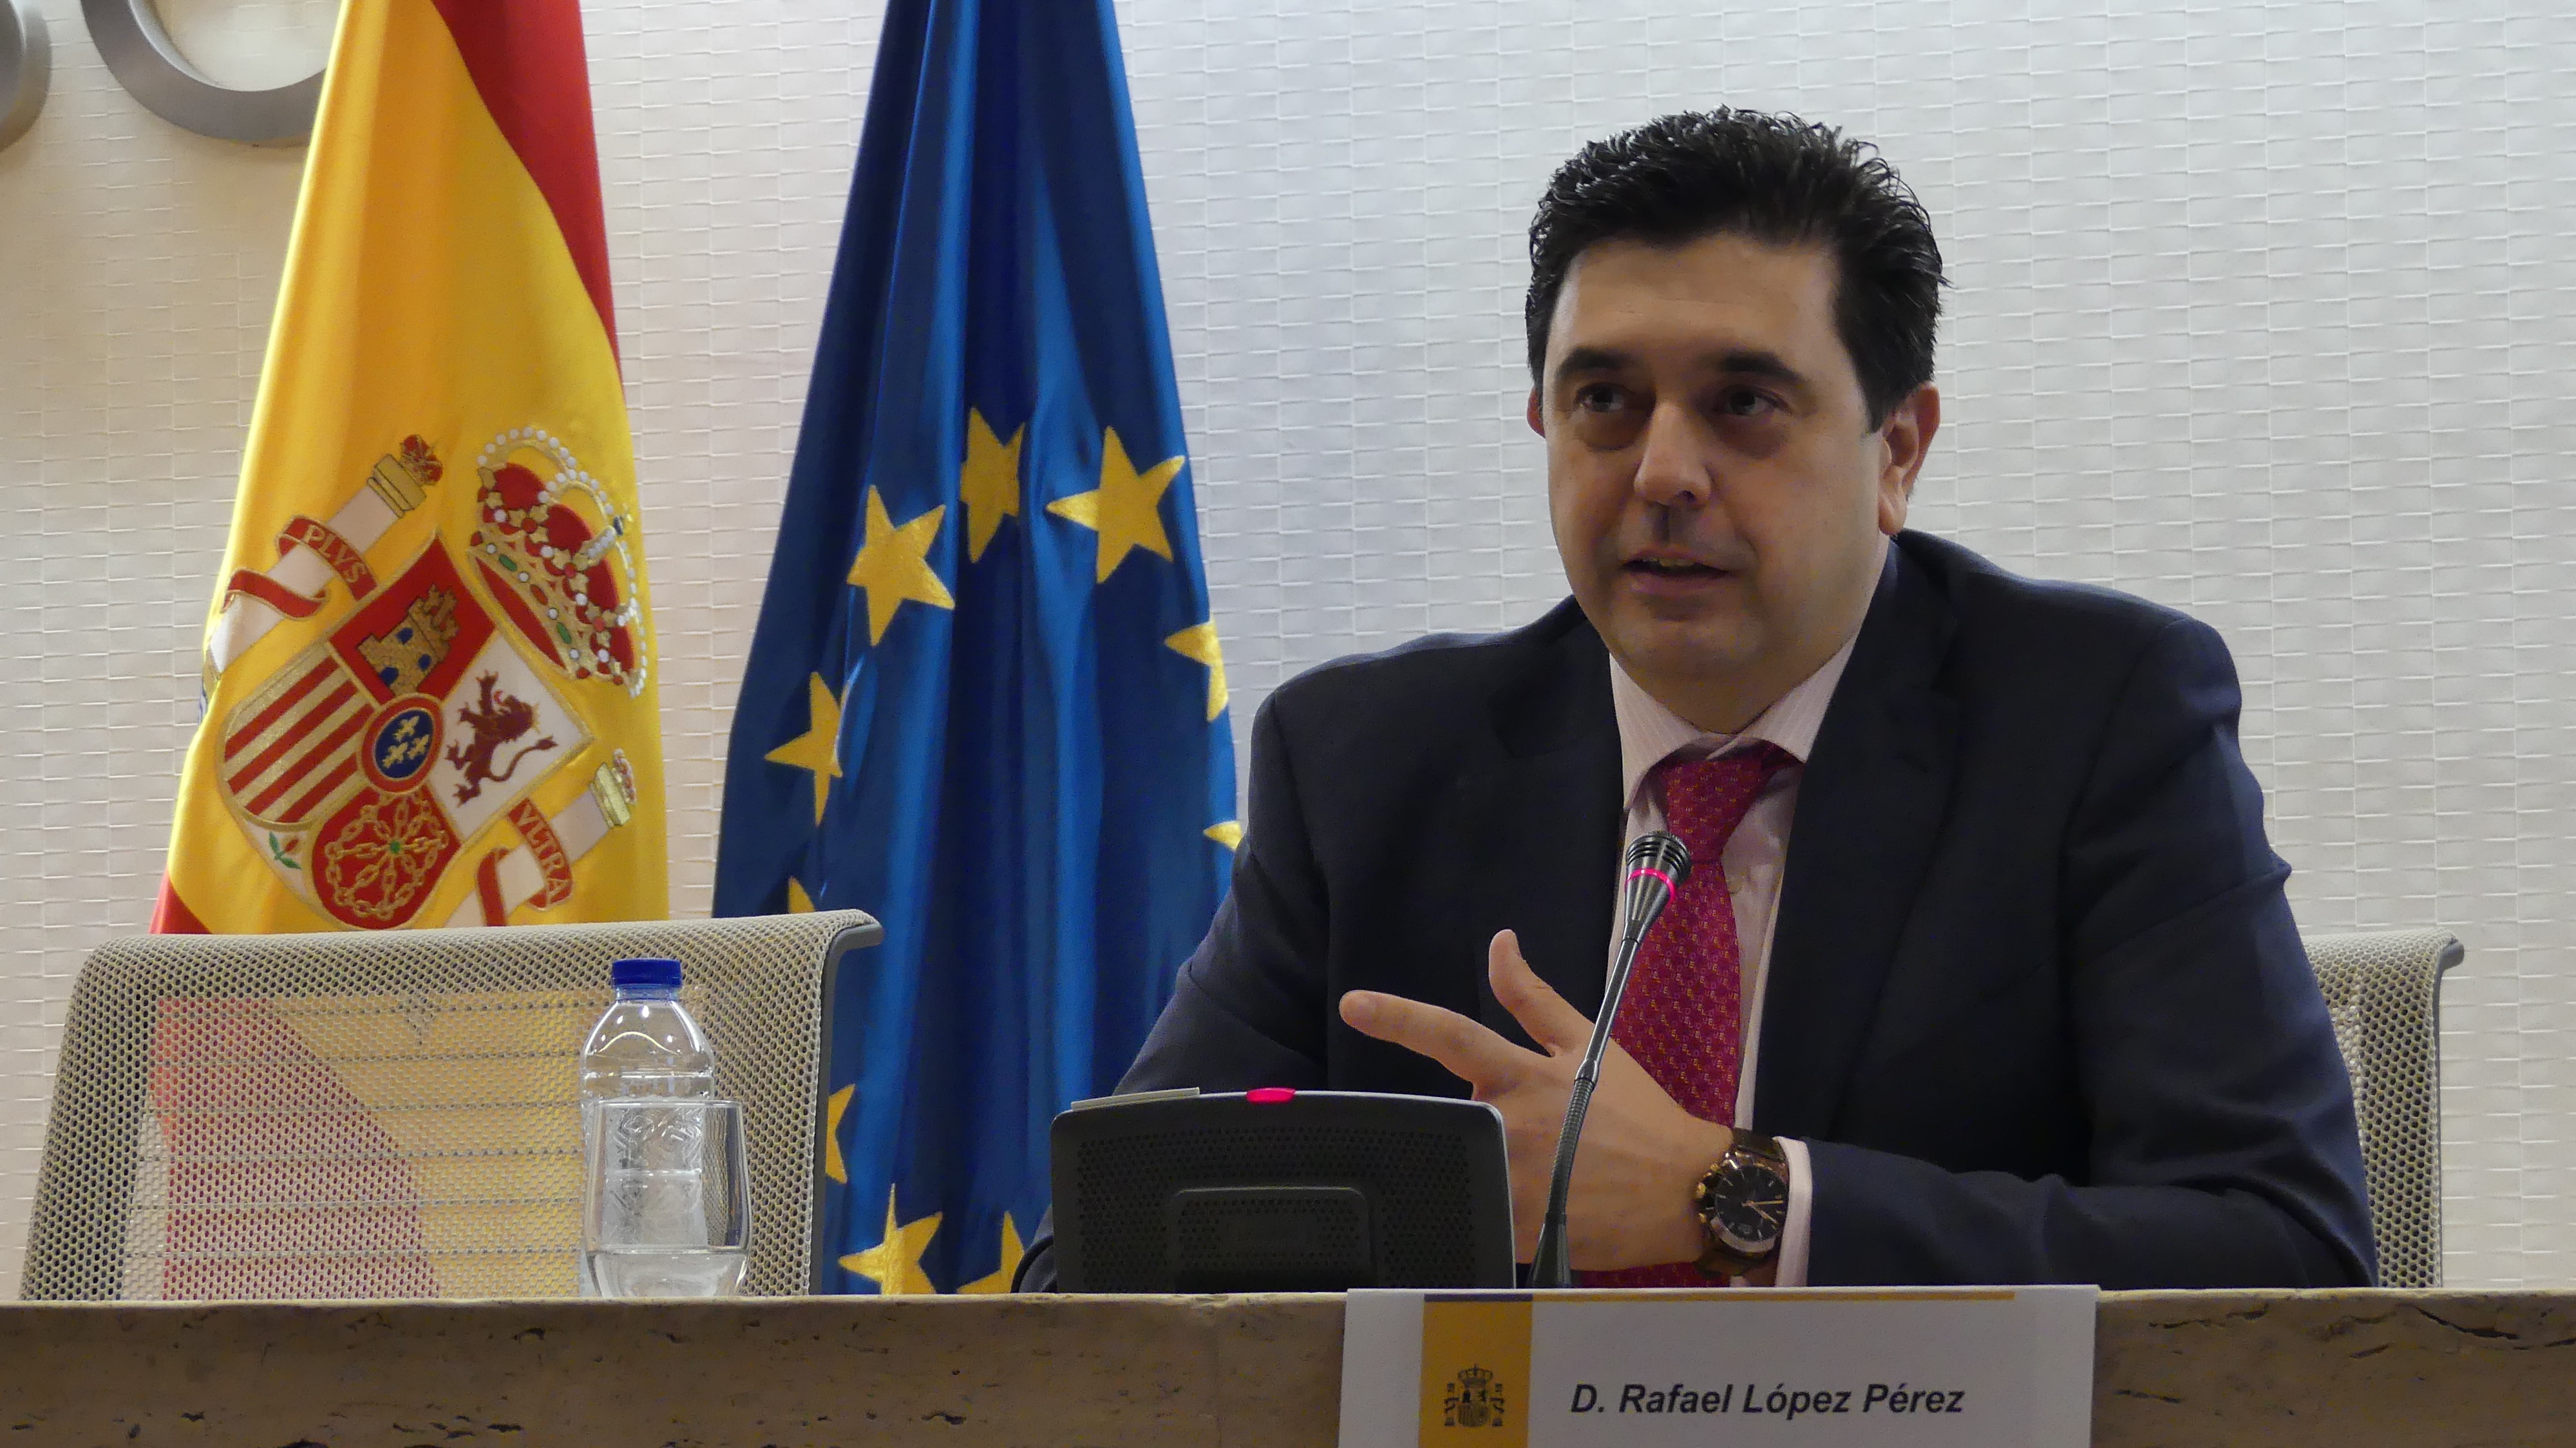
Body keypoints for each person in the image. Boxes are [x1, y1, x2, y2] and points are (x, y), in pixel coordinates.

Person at [1028, 109, 2374, 1289]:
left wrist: (1727, 1196)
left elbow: (2281, 1247)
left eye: (1743, 403)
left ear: (1896, 452)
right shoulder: (1363, 764)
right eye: (1605, 400)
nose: (1662, 471)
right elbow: (1097, 1259)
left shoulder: (2095, 721)